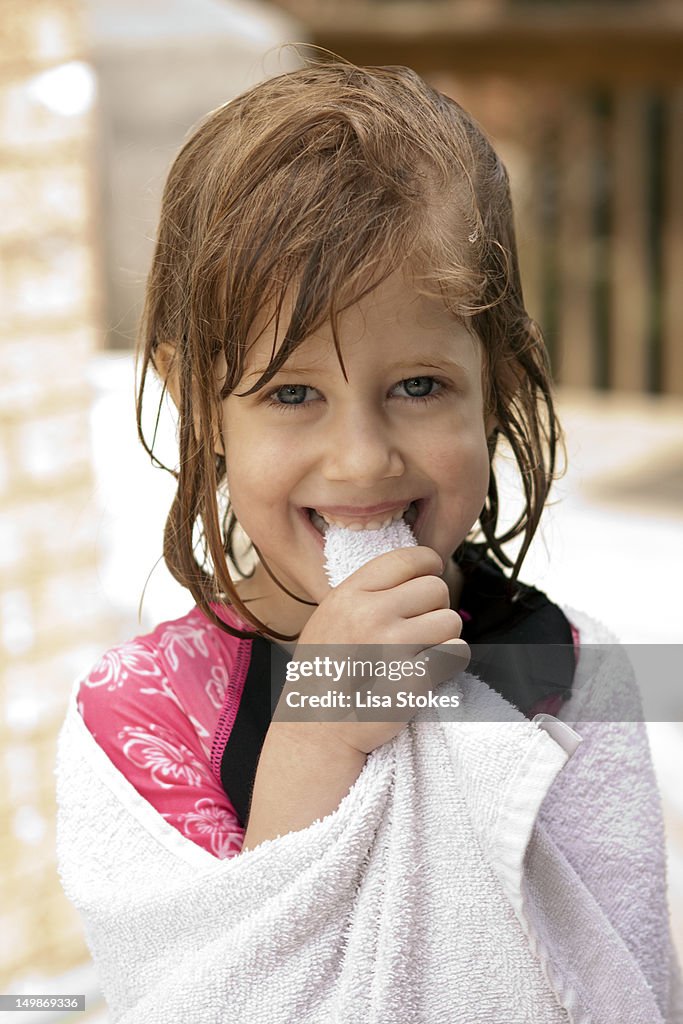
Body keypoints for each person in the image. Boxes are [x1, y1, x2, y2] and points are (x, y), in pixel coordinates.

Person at [61, 59, 682, 1020]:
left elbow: (614, 975)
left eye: (419, 387)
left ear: (500, 384)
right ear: (200, 406)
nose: (361, 461)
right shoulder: (143, 712)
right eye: (292, 394)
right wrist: (317, 731)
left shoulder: (568, 670)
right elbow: (201, 991)